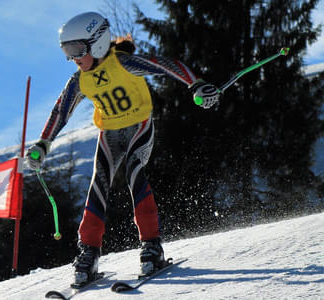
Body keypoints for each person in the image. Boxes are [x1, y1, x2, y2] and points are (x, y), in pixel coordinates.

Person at [26, 11, 220, 285]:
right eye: (67, 51)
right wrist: (43, 144)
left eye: (77, 49)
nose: (74, 58)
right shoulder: (80, 80)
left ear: (98, 43)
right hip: (109, 133)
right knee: (98, 182)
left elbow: (166, 65)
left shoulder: (125, 63)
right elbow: (61, 111)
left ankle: (151, 244)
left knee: (133, 170)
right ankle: (89, 252)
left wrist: (197, 85)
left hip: (139, 127)